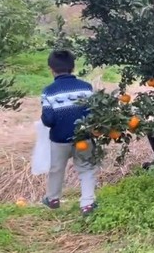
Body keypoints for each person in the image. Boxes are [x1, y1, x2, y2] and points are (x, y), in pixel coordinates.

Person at [40, 50, 97, 215]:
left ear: (51, 68)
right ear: (73, 67)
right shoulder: (86, 87)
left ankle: (53, 199)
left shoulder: (49, 91)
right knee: (86, 168)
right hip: (83, 137)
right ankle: (87, 204)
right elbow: (93, 113)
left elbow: (48, 119)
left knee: (56, 168)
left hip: (59, 139)